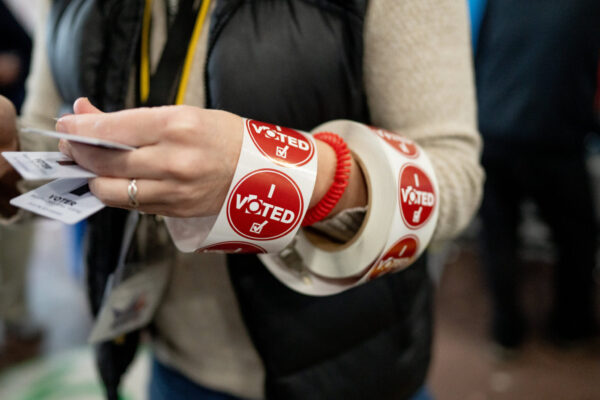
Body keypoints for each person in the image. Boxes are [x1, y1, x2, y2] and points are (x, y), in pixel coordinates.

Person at [0, 0, 483, 399]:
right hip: (170, 359)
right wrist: (11, 161)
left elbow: (454, 178)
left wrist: (267, 171)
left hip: (347, 365)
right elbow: (51, 131)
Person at [475, 0, 600, 351]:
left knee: (498, 235)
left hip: (494, 130)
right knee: (578, 237)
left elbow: (481, 54)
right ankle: (570, 326)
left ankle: (506, 331)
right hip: (553, 137)